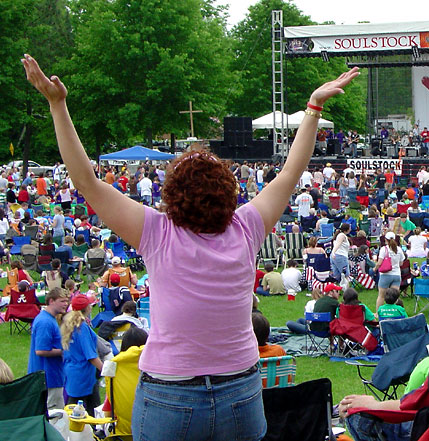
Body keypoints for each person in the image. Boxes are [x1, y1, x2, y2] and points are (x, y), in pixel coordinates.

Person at [23, 53, 359, 440]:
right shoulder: (247, 225)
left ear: (172, 194)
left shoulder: (155, 230)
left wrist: (58, 104)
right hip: (240, 392)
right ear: (227, 191)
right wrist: (313, 107)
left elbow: (86, 181)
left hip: (170, 394)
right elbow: (290, 171)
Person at [61, 294, 103, 416]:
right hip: (84, 374)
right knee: (90, 410)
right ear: (88, 308)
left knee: (73, 407)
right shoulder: (82, 328)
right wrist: (105, 369)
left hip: (71, 371)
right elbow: (91, 355)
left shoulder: (68, 325)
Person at [28, 287, 69, 410]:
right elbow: (40, 350)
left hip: (52, 376)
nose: (66, 304)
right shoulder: (45, 322)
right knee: (54, 416)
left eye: (67, 301)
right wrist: (65, 351)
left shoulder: (49, 319)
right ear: (51, 301)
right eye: (62, 301)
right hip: (48, 378)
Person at [376, 232, 405, 311]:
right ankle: (396, 312)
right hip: (396, 275)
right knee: (395, 297)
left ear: (386, 240)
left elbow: (379, 262)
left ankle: (378, 313)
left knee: (381, 296)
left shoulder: (384, 249)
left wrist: (375, 268)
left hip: (386, 274)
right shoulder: (399, 249)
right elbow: (401, 262)